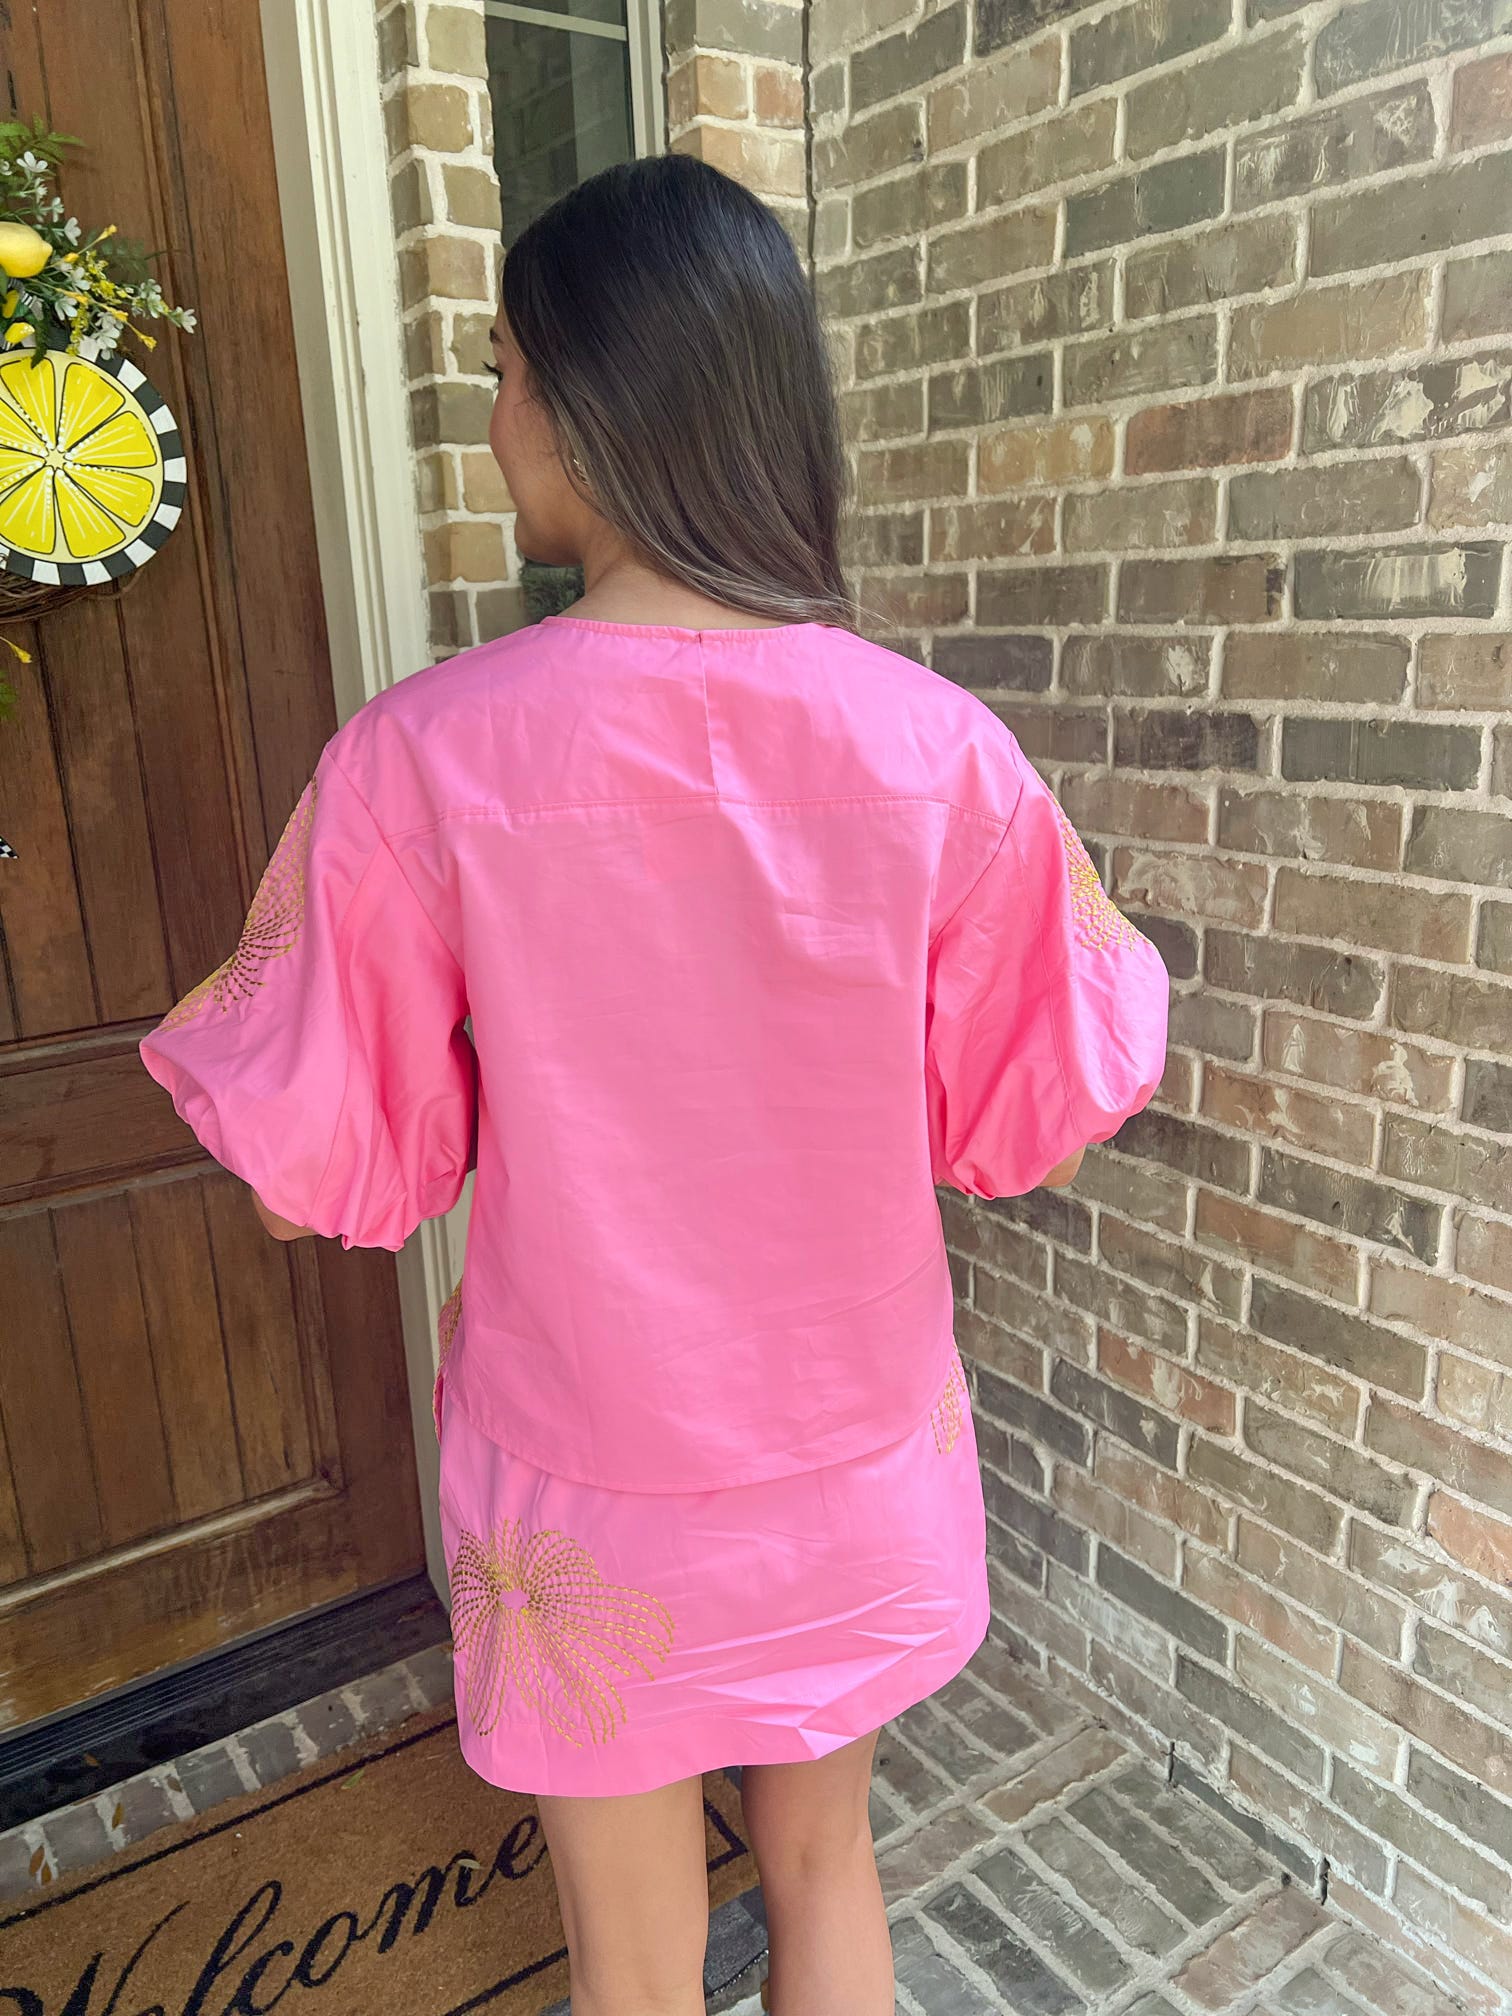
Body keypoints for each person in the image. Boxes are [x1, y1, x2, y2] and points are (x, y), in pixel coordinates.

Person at [139, 153, 1169, 2016]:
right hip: (856, 1458)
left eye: (514, 369)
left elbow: (315, 1173)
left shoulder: (420, 764)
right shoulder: (943, 753)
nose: (494, 413)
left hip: (586, 1486)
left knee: (631, 1961)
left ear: (602, 404)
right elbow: (1037, 1104)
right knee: (831, 1869)